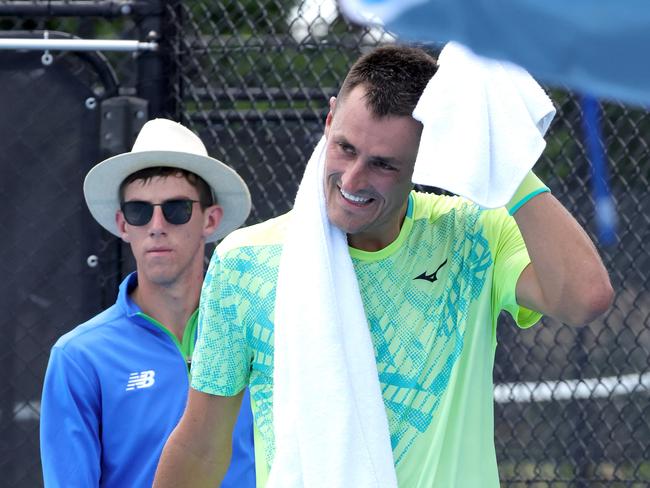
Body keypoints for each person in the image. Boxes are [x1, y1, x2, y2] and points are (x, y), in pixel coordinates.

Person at [153, 46, 614, 487]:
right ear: (330, 117)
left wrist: (499, 150)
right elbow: (201, 446)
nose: (353, 180)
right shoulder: (243, 264)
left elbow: (584, 299)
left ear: (426, 156)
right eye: (346, 148)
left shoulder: (476, 235)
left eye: (383, 165)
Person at [40, 118, 256, 487]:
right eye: (140, 211)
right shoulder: (78, 357)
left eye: (175, 208)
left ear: (211, 219)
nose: (157, 224)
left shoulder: (259, 336)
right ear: (124, 224)